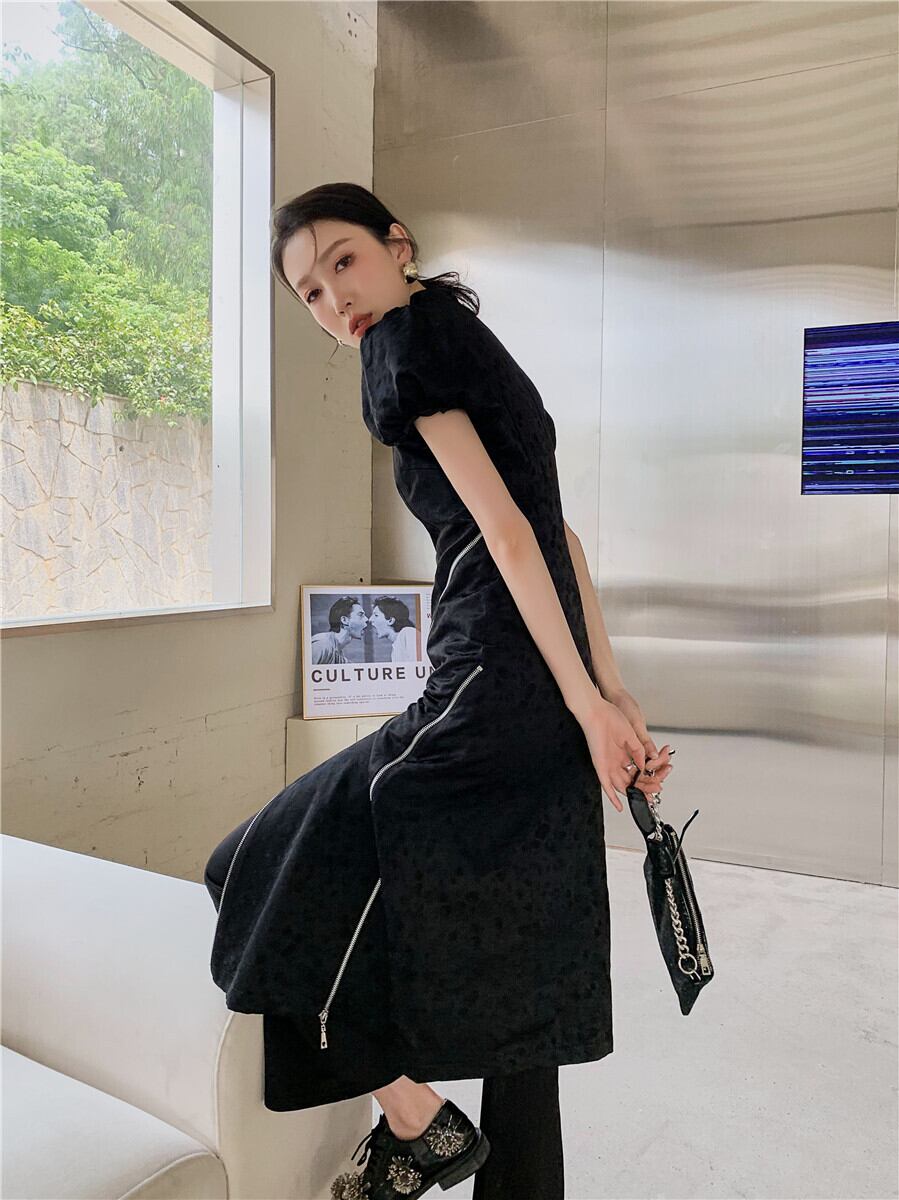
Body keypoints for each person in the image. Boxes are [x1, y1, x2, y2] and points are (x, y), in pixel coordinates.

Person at [204, 182, 674, 1200]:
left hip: (485, 680)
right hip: (536, 684)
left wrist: (593, 702)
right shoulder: (469, 341)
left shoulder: (402, 343)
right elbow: (558, 535)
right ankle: (465, 1153)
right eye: (309, 292)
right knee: (523, 963)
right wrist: (605, 692)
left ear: (397, 246)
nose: (335, 299)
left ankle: (414, 1121)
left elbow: (510, 534)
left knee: (239, 865)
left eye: (343, 261)